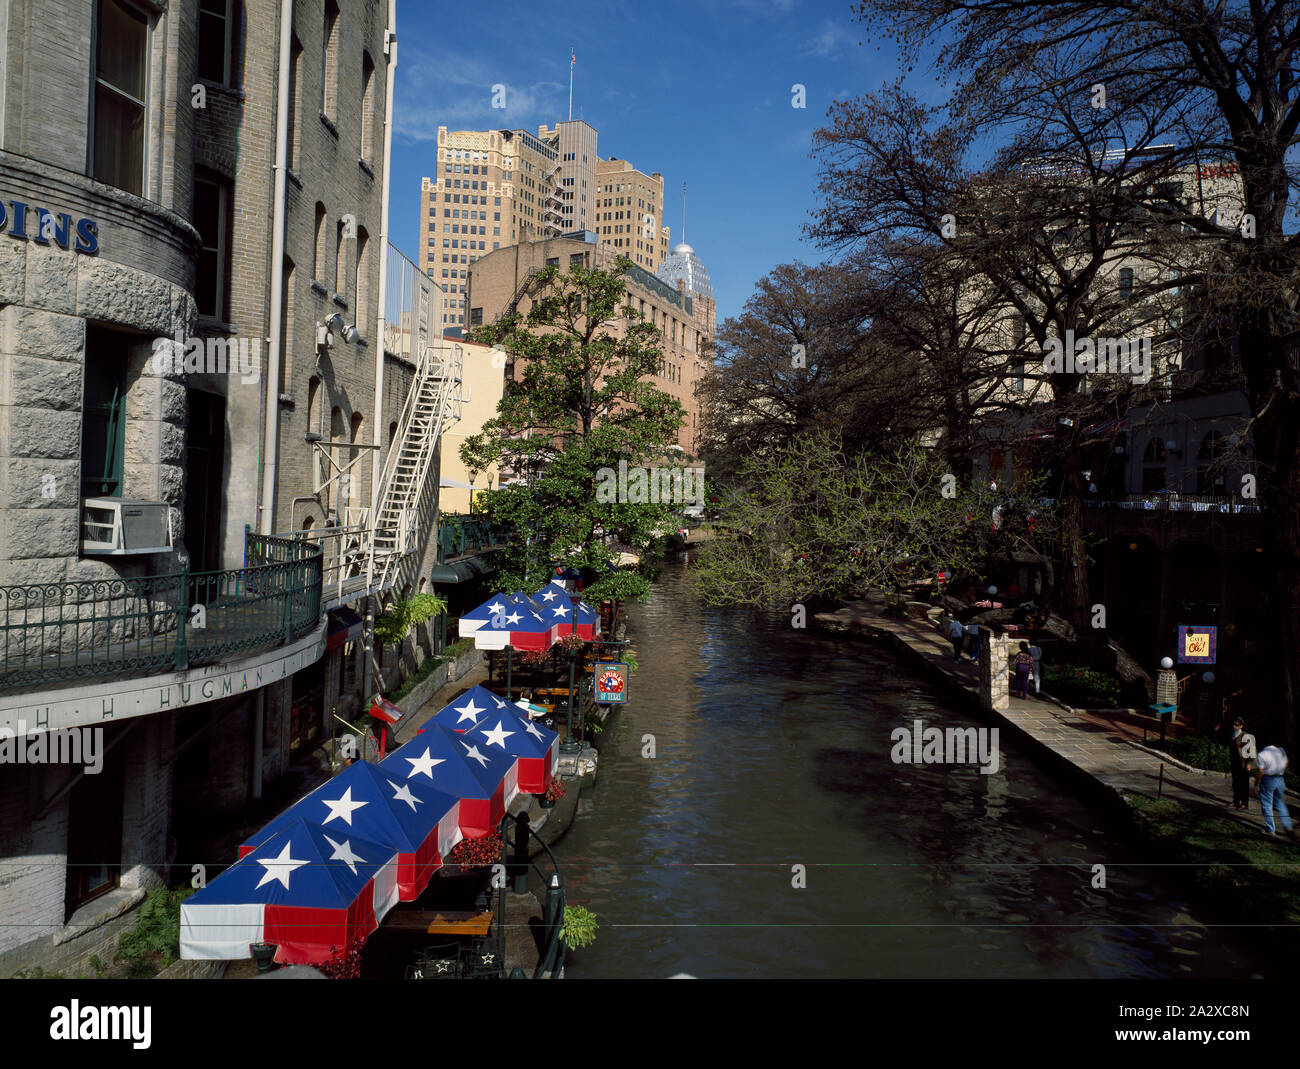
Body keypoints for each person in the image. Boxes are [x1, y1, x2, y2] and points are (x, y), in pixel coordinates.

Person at [1254, 742, 1292, 835]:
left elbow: (1260, 771)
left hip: (1268, 779)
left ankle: (1270, 829)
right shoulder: (1280, 750)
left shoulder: (1262, 754)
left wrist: (1256, 784)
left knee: (1267, 804)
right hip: (1280, 778)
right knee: (1280, 803)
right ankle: (1288, 826)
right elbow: (1286, 764)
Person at [1221, 717, 1254, 811]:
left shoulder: (1245, 736)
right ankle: (1236, 800)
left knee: (1243, 784)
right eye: (1233, 724)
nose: (1234, 726)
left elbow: (1251, 751)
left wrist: (1249, 763)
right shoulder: (1232, 735)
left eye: (1236, 725)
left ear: (1241, 726)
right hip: (1235, 762)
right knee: (1235, 782)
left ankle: (1244, 803)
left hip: (1244, 763)